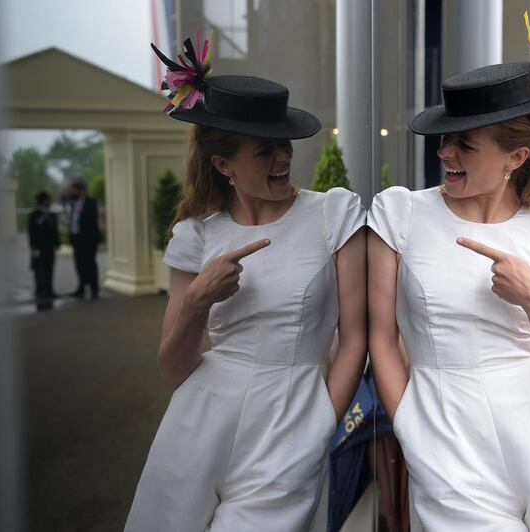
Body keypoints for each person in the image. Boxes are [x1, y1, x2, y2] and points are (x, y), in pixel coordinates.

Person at [367, 9, 530, 531]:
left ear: (516, 157)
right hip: (443, 432)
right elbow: (382, 337)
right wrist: (409, 425)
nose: (445, 152)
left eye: (465, 143)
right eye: (444, 138)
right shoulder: (398, 213)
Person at [124, 31, 367, 531]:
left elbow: (356, 338)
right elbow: (174, 370)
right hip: (199, 418)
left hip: (291, 417)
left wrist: (322, 421)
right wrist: (197, 301)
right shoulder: (195, 237)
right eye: (264, 151)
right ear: (223, 164)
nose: (283, 159)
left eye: (284, 146)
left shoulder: (333, 215)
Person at [67, 179, 101, 298]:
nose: (72, 192)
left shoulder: (91, 202)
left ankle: (94, 289)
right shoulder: (73, 203)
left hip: (88, 240)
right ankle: (81, 287)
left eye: (74, 190)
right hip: (76, 238)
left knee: (90, 264)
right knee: (79, 264)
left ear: (80, 190)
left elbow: (91, 221)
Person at [28, 191, 60, 301]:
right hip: (38, 248)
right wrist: (33, 247)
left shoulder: (52, 215)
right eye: (48, 200)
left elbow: (55, 231)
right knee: (39, 270)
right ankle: (40, 291)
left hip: (49, 247)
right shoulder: (34, 215)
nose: (50, 202)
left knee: (50, 268)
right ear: (43, 201)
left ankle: (49, 290)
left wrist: (57, 243)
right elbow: (31, 232)